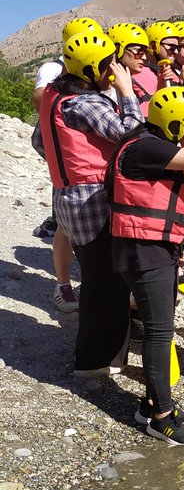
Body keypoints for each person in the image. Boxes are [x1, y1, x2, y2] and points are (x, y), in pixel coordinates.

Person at [108, 85, 184, 444]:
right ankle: (159, 418)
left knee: (161, 327)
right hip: (144, 250)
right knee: (159, 333)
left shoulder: (151, 142)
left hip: (156, 247)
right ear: (173, 124)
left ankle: (153, 403)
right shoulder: (147, 147)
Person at [32, 31, 144, 374]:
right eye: (108, 63)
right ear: (92, 67)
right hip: (93, 199)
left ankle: (98, 355)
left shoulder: (55, 95)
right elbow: (132, 133)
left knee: (96, 276)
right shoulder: (86, 102)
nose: (114, 67)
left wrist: (67, 163)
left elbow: (39, 140)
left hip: (66, 198)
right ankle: (96, 360)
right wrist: (127, 94)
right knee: (106, 282)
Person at [32, 17, 105, 312]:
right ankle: (63, 285)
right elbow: (41, 102)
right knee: (64, 225)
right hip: (72, 161)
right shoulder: (54, 69)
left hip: (85, 162)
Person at [107, 23, 154, 113]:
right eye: (139, 51)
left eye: (144, 52)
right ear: (118, 49)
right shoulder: (107, 91)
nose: (144, 57)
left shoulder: (132, 84)